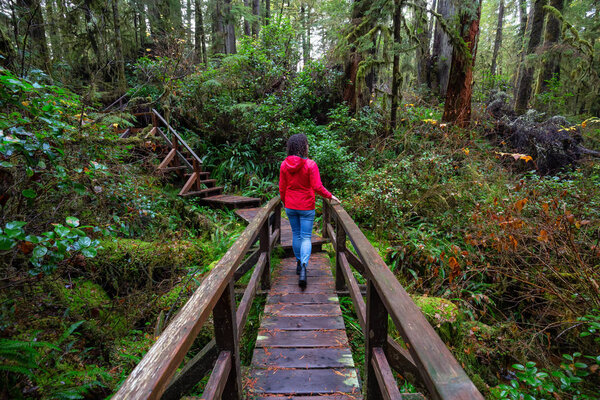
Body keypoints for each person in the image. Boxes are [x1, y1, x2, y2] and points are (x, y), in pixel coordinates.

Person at [279, 133, 339, 287]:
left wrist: (286, 202)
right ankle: (304, 267)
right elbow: (317, 187)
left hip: (291, 206)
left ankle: (298, 263)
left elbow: (282, 188)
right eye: (306, 144)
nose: (308, 147)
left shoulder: (284, 165)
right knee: (306, 237)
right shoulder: (311, 165)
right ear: (302, 147)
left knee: (296, 235)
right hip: (306, 206)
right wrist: (330, 196)